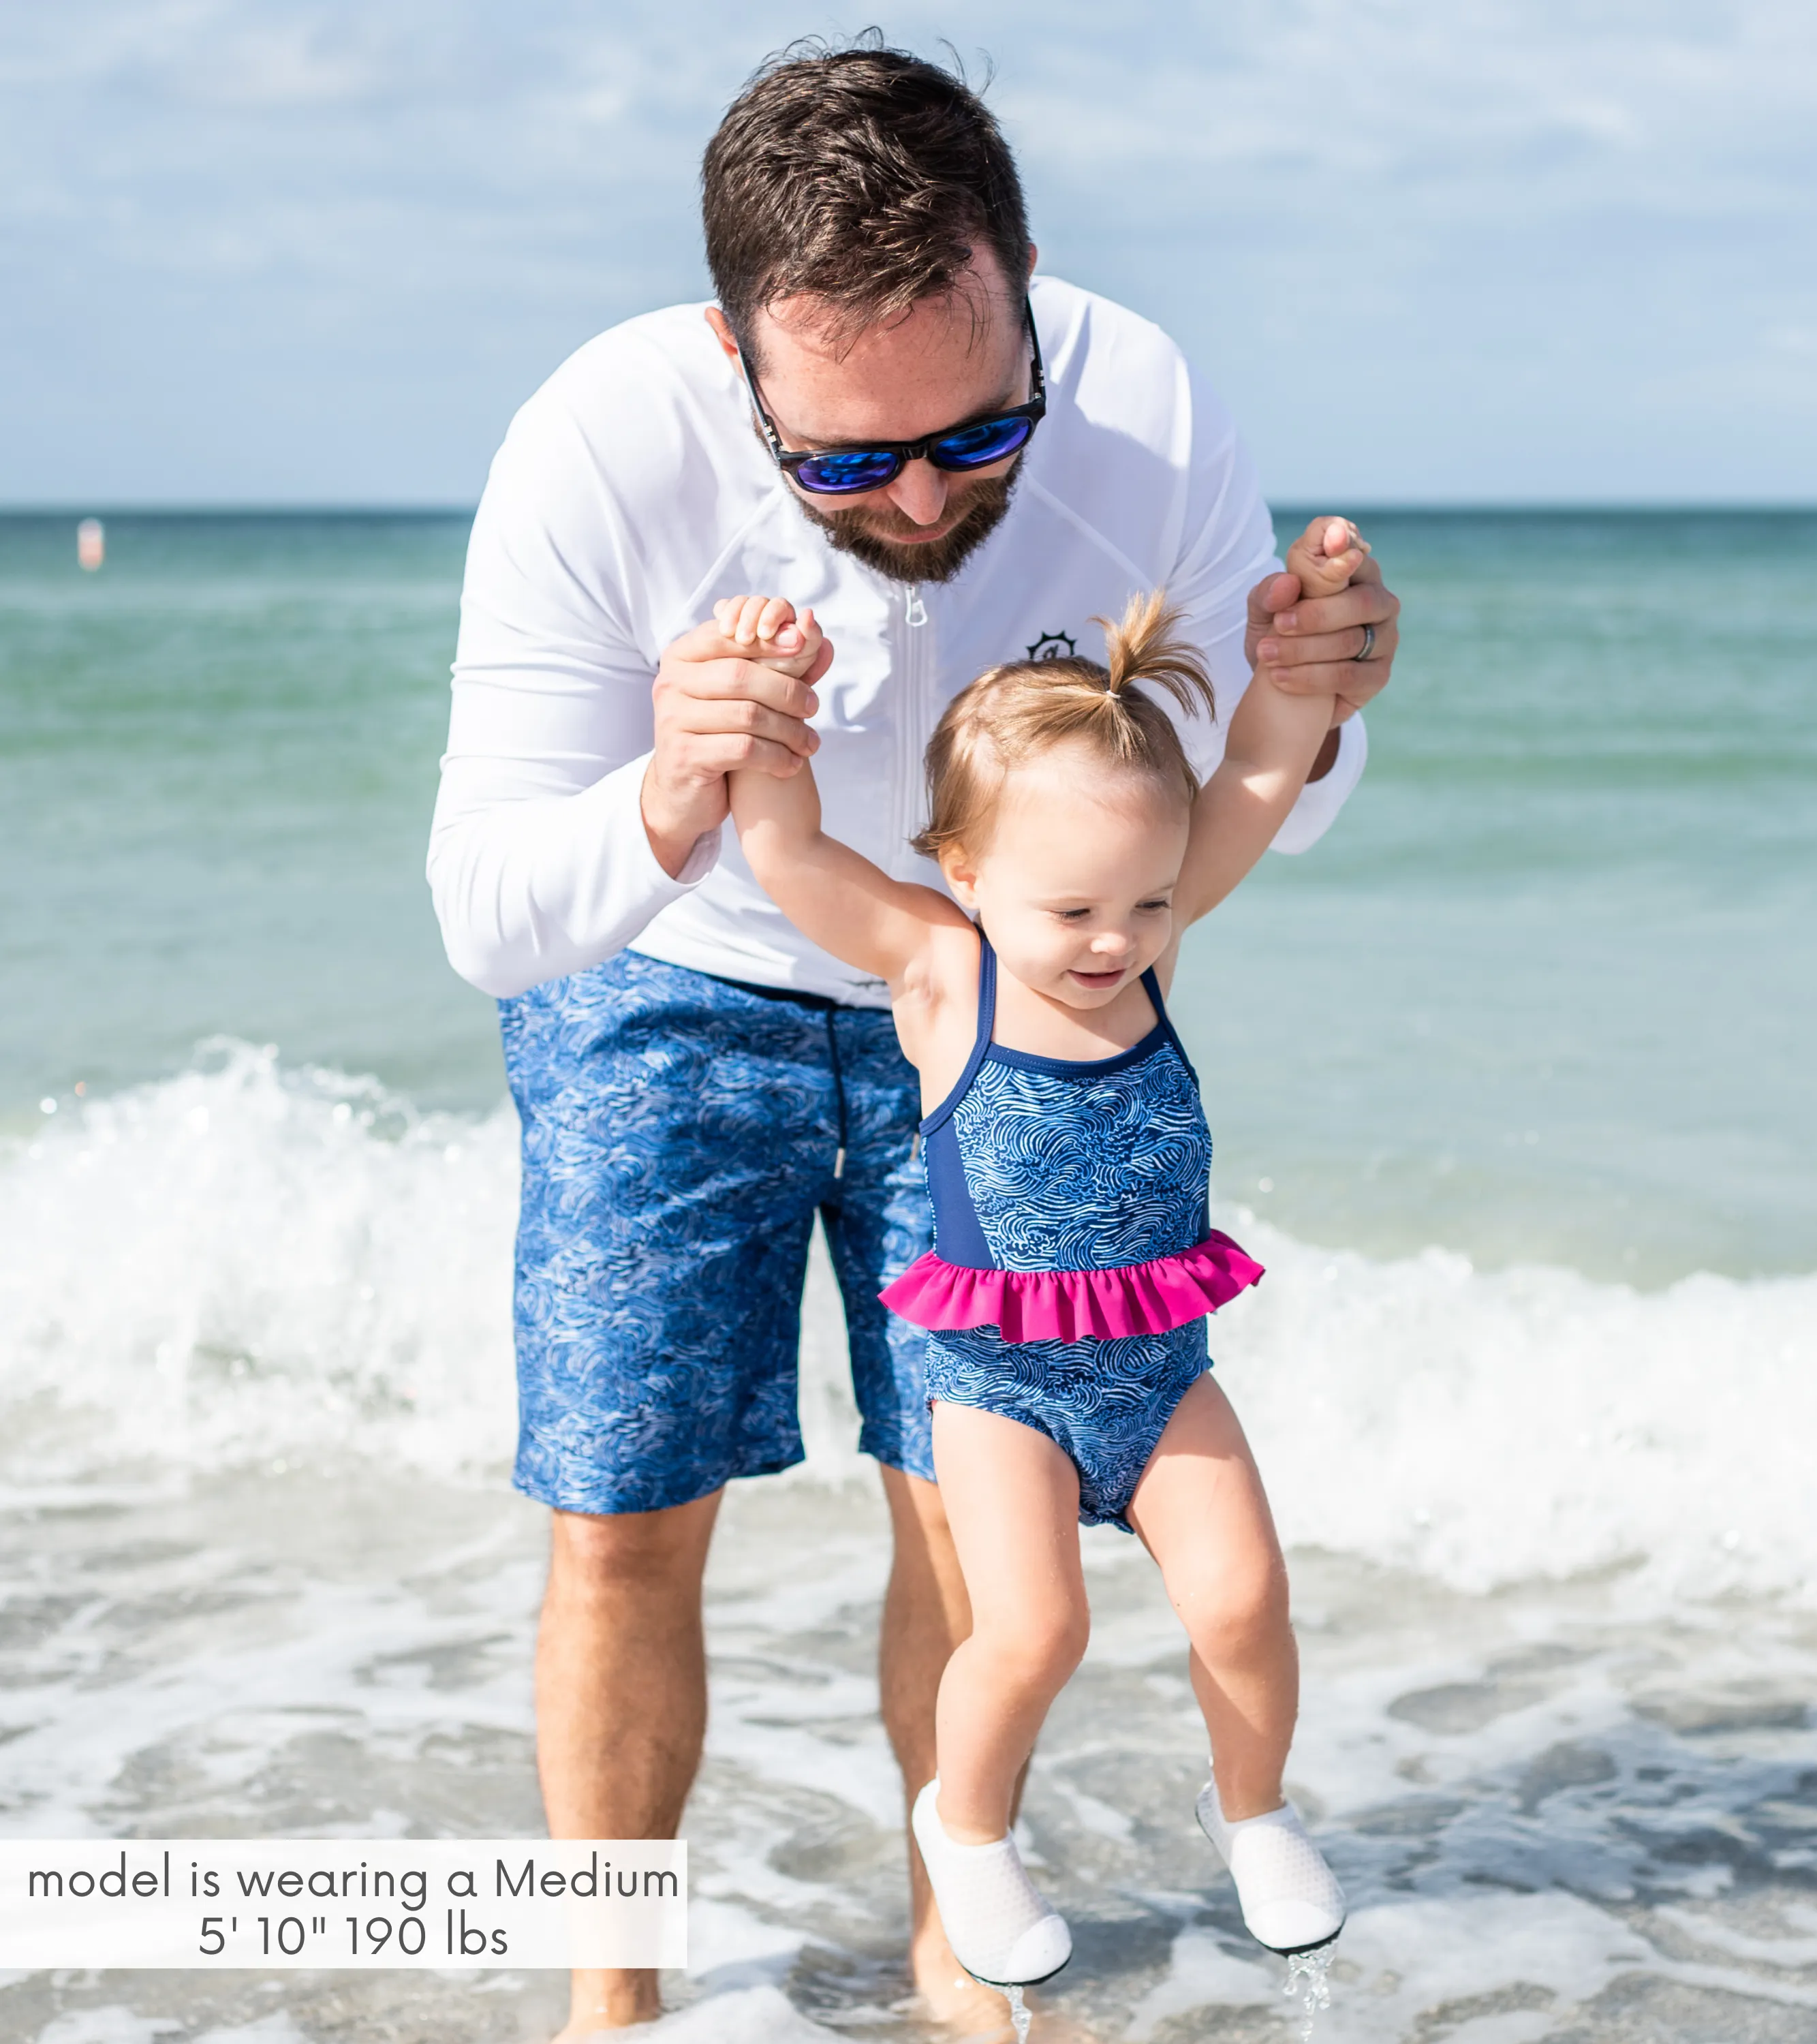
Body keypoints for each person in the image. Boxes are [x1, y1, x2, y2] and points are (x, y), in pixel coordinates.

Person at [427, 38, 1398, 2037]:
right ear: (735, 356)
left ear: (1027, 287)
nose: (934, 493)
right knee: (622, 1513)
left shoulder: (1143, 402)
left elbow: (1257, 800)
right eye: (849, 461)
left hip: (997, 997)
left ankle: (955, 1951)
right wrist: (674, 801)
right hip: (667, 971)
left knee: (970, 1502)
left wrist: (1330, 690)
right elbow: (486, 913)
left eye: (977, 429)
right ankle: (613, 2001)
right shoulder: (597, 444)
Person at [721, 516, 1363, 1990]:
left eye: (1146, 900)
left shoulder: (1153, 942)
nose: (1112, 940)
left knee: (1246, 1598)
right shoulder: (945, 973)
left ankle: (1253, 1809)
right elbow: (787, 850)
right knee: (1033, 1627)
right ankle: (972, 1835)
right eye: (1071, 909)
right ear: (961, 866)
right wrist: (766, 716)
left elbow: (1260, 768)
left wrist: (1310, 643)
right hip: (999, 1380)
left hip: (1156, 1363)